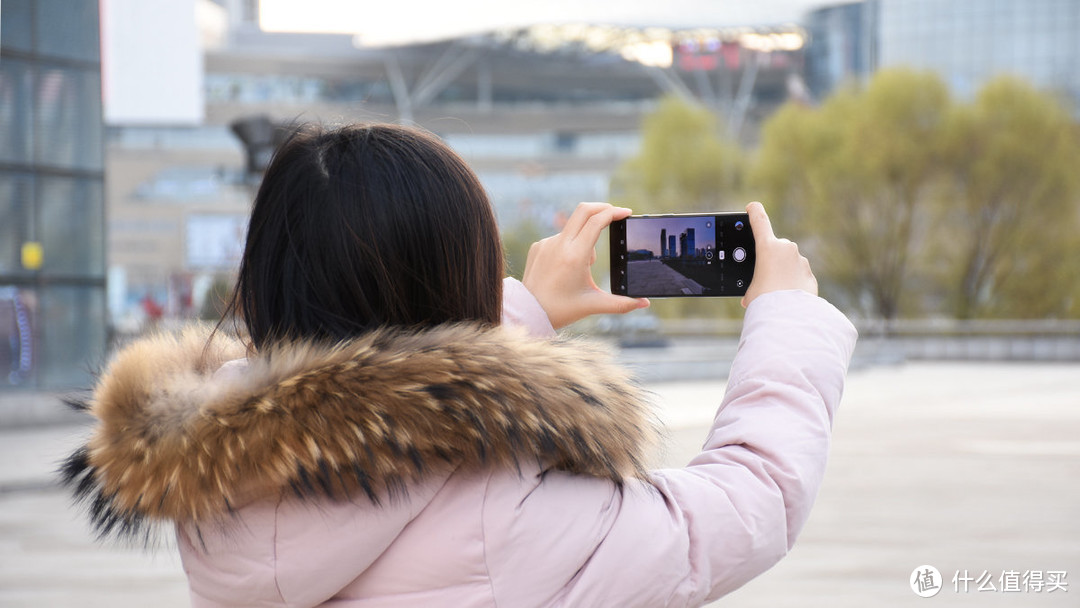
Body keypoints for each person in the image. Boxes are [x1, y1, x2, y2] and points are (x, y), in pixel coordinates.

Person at [62, 123, 856, 607]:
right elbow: (746, 507)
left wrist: (526, 314)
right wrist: (785, 316)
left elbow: (371, 387)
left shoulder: (215, 480)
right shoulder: (508, 521)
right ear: (460, 281)